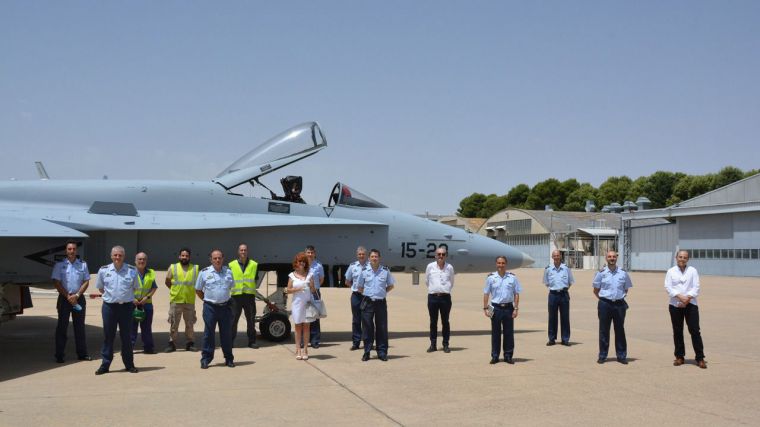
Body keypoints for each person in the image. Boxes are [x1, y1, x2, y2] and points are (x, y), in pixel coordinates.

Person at [95, 246, 139, 375]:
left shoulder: (131, 270)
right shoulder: (104, 270)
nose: (117, 258)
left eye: (120, 255)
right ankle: (105, 364)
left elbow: (135, 288)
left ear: (124, 256)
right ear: (111, 256)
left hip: (126, 308)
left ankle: (129, 364)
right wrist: (112, 297)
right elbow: (101, 288)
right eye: (115, 255)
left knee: (126, 337)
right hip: (109, 307)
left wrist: (123, 298)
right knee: (108, 336)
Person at [665, 250, 706, 369]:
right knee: (677, 331)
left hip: (691, 304)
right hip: (675, 305)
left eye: (685, 257)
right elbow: (668, 287)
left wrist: (687, 299)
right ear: (676, 258)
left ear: (688, 259)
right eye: (680, 257)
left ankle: (700, 357)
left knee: (695, 330)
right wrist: (680, 297)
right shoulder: (671, 271)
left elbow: (696, 287)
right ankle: (679, 356)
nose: (682, 259)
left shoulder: (692, 271)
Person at [51, 241, 91, 363]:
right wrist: (68, 295)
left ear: (76, 251)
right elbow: (56, 282)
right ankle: (59, 355)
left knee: (79, 327)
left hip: (79, 299)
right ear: (66, 251)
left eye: (74, 249)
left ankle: (82, 354)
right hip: (64, 299)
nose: (72, 251)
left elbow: (86, 281)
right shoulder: (59, 265)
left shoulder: (82, 265)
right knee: (62, 327)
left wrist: (77, 295)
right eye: (69, 249)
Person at [195, 249, 236, 369]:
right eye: (215, 258)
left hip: (225, 308)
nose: (217, 260)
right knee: (208, 334)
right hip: (210, 308)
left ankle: (229, 358)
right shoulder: (204, 272)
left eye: (219, 258)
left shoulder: (228, 272)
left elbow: (230, 288)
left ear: (223, 259)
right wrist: (207, 300)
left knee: (226, 334)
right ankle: (206, 359)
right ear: (211, 259)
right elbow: (198, 290)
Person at [593, 250, 633, 365]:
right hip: (605, 304)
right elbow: (596, 290)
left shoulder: (623, 273)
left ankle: (621, 356)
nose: (612, 258)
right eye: (609, 257)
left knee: (620, 330)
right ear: (606, 258)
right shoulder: (601, 273)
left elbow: (626, 288)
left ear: (616, 258)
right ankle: (602, 355)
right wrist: (604, 299)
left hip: (619, 305)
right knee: (604, 330)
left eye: (614, 257)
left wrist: (618, 297)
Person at [357, 249, 395, 362]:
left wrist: (381, 292)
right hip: (368, 302)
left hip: (380, 303)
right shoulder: (364, 271)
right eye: (372, 256)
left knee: (382, 328)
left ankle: (382, 352)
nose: (374, 258)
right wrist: (369, 294)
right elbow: (359, 287)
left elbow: (391, 285)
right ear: (369, 258)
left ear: (379, 258)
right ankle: (367, 352)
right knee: (367, 328)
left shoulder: (385, 271)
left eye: (376, 256)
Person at [483, 256, 521, 365]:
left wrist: (516, 308)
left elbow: (516, 294)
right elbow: (486, 293)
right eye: (499, 263)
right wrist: (485, 308)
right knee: (495, 333)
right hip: (495, 307)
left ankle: (508, 356)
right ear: (496, 264)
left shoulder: (512, 278)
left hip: (509, 308)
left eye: (503, 263)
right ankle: (495, 356)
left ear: (506, 264)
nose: (501, 265)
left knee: (509, 333)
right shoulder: (491, 278)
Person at [164, 247, 199, 353]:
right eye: (182, 255)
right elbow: (167, 281)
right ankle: (172, 344)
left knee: (190, 324)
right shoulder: (173, 267)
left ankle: (190, 343)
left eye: (186, 256)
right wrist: (175, 290)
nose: (184, 257)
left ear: (189, 257)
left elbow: (198, 284)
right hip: (176, 300)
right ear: (179, 256)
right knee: (174, 323)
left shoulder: (195, 268)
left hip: (189, 301)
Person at [285, 252, 316, 360]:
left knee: (307, 327)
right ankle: (298, 349)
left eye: (303, 261)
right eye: (300, 261)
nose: (302, 263)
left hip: (307, 304)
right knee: (298, 327)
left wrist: (312, 286)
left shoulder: (310, 274)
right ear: (296, 263)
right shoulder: (292, 275)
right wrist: (297, 289)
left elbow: (313, 291)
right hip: (297, 304)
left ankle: (305, 349)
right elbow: (287, 290)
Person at [229, 243, 259, 349]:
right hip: (236, 297)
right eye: (241, 250)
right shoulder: (231, 265)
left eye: (245, 250)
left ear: (247, 251)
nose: (243, 252)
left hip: (249, 297)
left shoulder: (254, 264)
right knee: (233, 321)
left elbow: (255, 278)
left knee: (251, 320)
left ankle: (252, 341)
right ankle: (230, 342)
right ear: (238, 252)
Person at [425, 246, 454, 353]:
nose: (441, 256)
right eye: (439, 254)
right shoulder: (430, 267)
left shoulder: (449, 267)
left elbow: (451, 281)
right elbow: (427, 281)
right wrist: (435, 290)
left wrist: (444, 290)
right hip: (433, 297)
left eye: (443, 254)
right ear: (435, 255)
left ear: (446, 256)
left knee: (445, 322)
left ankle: (446, 344)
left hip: (445, 298)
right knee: (433, 322)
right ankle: (433, 345)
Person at [543, 250, 574, 346]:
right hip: (553, 295)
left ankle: (565, 339)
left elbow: (570, 282)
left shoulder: (566, 268)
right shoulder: (548, 269)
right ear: (552, 257)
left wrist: (562, 289)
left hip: (564, 294)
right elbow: (546, 282)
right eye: (554, 256)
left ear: (560, 256)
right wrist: (555, 289)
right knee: (552, 317)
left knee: (565, 317)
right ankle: (552, 339)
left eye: (558, 255)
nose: (556, 257)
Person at [131, 252, 157, 354]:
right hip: (132, 304)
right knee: (131, 328)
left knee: (146, 328)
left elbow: (154, 287)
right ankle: (129, 348)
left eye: (144, 259)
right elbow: (125, 288)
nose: (142, 261)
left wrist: (147, 297)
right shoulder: (130, 272)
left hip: (147, 304)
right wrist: (132, 299)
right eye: (139, 259)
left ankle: (148, 348)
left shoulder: (151, 272)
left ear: (146, 261)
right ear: (135, 261)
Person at [344, 246, 368, 351]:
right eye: (359, 254)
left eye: (363, 254)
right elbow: (347, 281)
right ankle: (356, 342)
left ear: (366, 255)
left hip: (367, 296)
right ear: (357, 255)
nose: (361, 256)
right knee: (356, 320)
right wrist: (355, 288)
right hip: (356, 296)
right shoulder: (352, 266)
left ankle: (368, 342)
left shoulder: (371, 266)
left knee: (367, 320)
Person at [305, 245, 325, 348]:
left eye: (312, 253)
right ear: (305, 253)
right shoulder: (302, 264)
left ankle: (315, 340)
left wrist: (315, 288)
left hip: (315, 292)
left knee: (315, 317)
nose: (310, 254)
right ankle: (304, 340)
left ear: (314, 254)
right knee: (304, 317)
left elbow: (321, 279)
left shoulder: (319, 265)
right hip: (304, 293)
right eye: (308, 252)